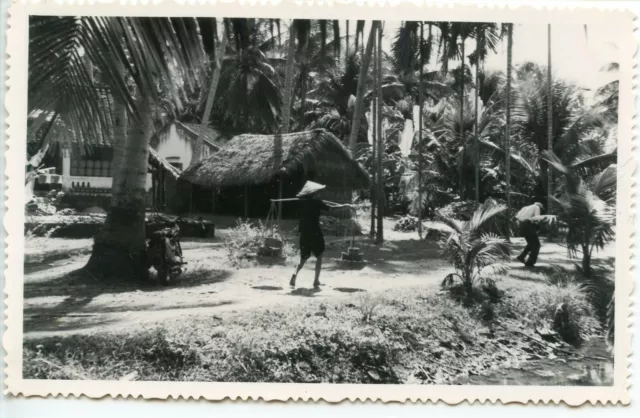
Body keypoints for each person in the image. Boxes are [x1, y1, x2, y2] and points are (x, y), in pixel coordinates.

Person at [289, 181, 351, 289]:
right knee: (319, 256)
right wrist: (345, 206)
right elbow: (331, 209)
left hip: (304, 233)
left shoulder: (301, 202)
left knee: (303, 259)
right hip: (315, 232)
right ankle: (316, 280)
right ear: (314, 193)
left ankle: (295, 273)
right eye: (317, 192)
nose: (318, 193)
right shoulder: (317, 202)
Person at [515, 202, 545, 267]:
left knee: (531, 243)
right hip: (528, 224)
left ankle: (521, 256)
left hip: (521, 225)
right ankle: (530, 262)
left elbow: (517, 216)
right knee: (537, 245)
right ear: (540, 206)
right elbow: (537, 218)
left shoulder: (525, 207)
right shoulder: (537, 207)